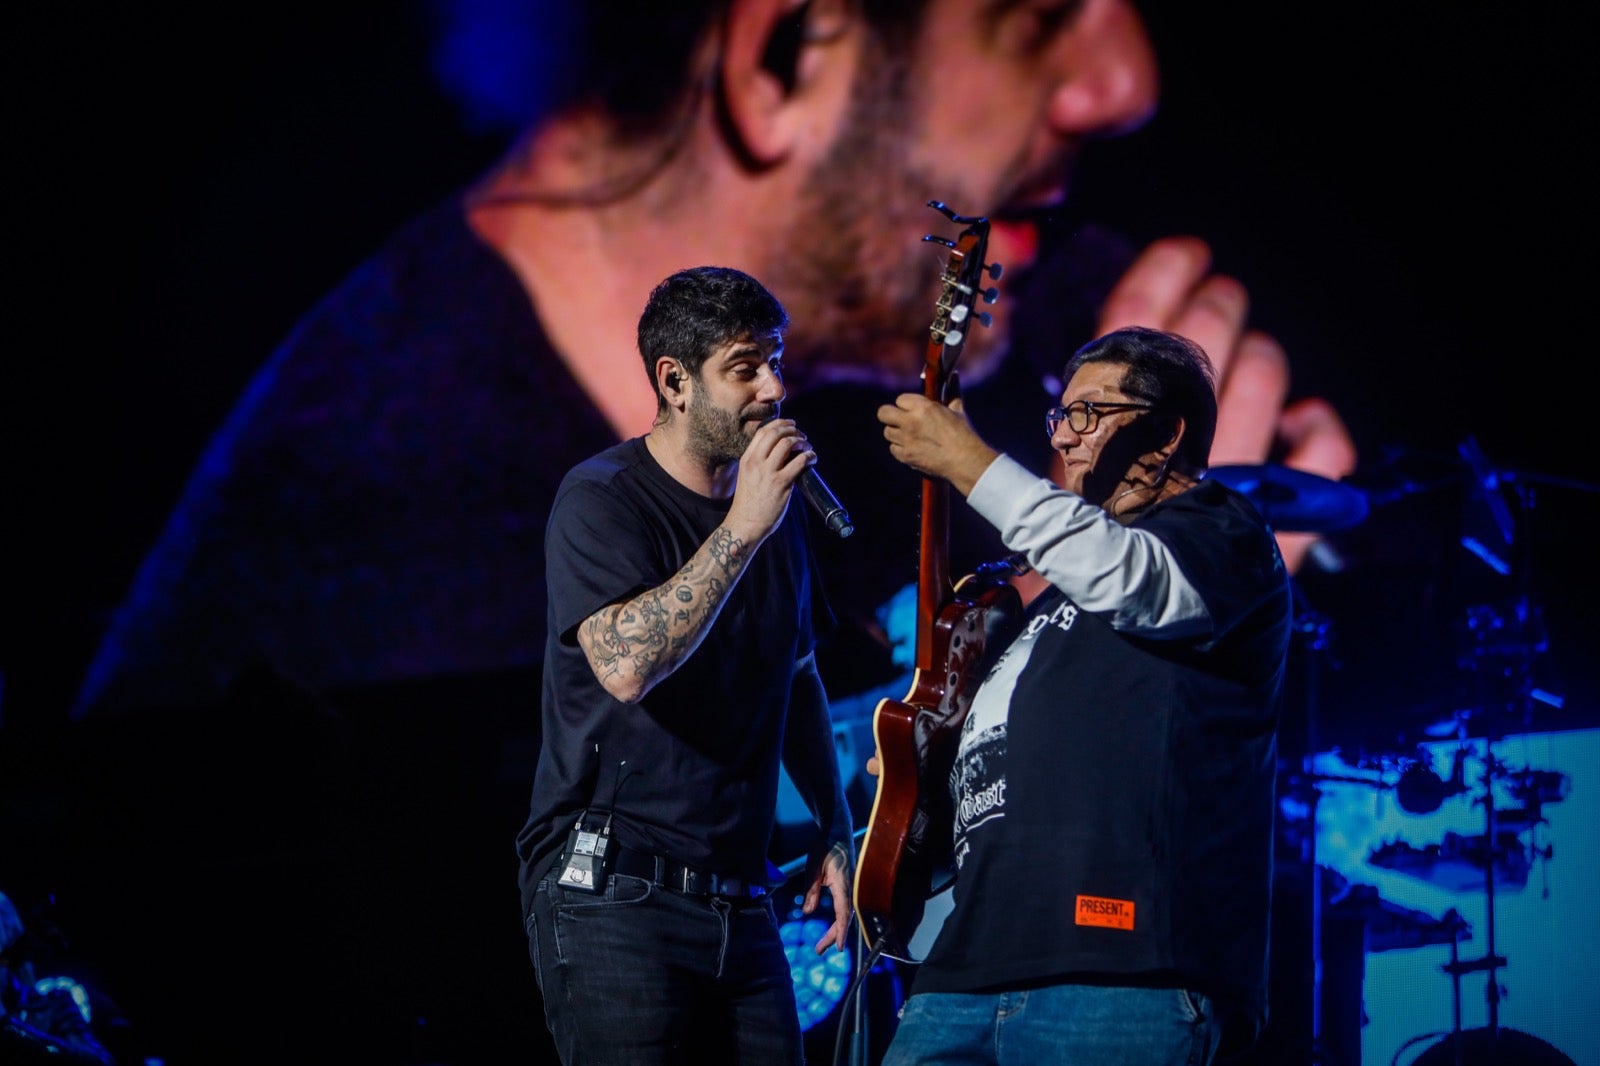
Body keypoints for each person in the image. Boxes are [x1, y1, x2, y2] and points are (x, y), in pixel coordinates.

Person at [59, 0, 1353, 1058]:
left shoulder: (843, 406)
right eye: (1039, 16)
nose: (1124, 79)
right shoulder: (387, 563)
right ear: (787, 52)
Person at [870, 325, 1292, 1065]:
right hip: (962, 972)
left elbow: (1129, 579)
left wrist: (974, 464)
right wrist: (886, 825)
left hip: (1122, 973)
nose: (1065, 437)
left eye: (1089, 413)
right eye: (1060, 415)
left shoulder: (1221, 534)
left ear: (1164, 435)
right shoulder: (1047, 615)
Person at [518, 265, 854, 1064]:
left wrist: (836, 826)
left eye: (777, 359)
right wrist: (742, 528)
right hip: (616, 891)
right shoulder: (603, 498)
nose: (774, 387)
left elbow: (796, 672)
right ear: (674, 381)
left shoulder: (775, 515)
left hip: (743, 896)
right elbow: (627, 667)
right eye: (745, 367)